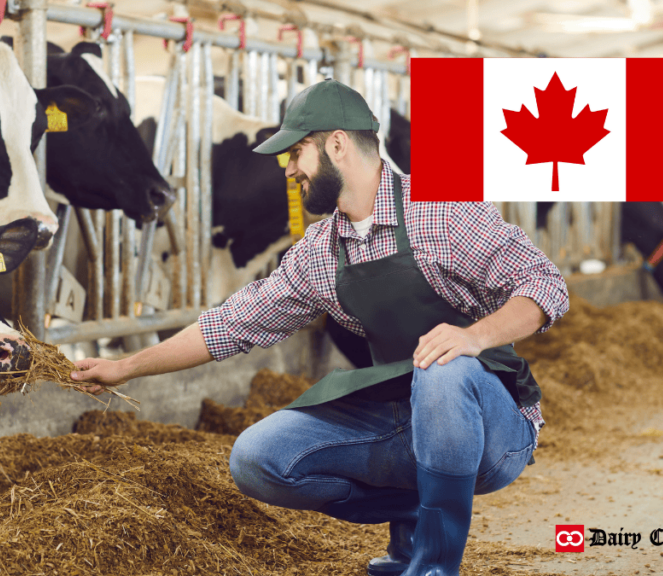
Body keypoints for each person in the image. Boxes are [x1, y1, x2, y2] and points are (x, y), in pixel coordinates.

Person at [70, 78, 569, 576]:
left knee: (443, 369)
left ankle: (434, 566)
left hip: (494, 428)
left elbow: (546, 284)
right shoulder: (319, 252)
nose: (288, 170)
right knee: (257, 458)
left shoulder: (441, 210)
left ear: (337, 144)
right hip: (404, 417)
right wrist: (126, 366)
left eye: (296, 153)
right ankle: (408, 510)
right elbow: (229, 324)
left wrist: (473, 337)